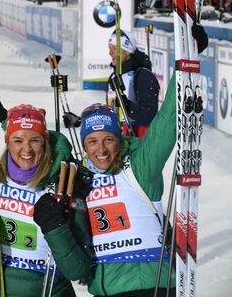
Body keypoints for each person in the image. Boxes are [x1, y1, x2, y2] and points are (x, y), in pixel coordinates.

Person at [35, 73, 178, 296]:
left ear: (119, 140)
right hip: (105, 288)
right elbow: (39, 148)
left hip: (150, 283)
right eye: (92, 141)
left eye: (108, 140)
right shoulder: (78, 176)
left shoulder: (140, 166)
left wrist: (184, 68)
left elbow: (167, 121)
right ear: (84, 145)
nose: (101, 150)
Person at [0, 95, 92, 296]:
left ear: (45, 143)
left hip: (51, 289)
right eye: (18, 140)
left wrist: (55, 227)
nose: (27, 149)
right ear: (8, 143)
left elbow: (77, 269)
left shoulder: (64, 184)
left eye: (35, 140)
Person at [105, 29, 159, 138]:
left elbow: (150, 116)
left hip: (137, 143)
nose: (110, 53)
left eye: (114, 48)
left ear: (128, 51)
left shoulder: (142, 75)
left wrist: (128, 107)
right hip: (117, 140)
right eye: (109, 48)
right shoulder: (113, 77)